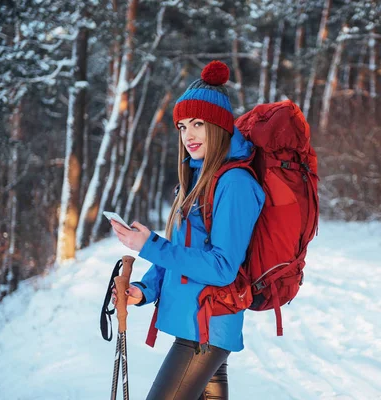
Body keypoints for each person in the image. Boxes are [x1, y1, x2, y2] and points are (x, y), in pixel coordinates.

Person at [110, 60, 265, 400]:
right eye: (182, 126)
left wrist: (148, 244)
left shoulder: (235, 184)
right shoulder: (195, 179)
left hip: (206, 328)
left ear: (220, 126)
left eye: (198, 123)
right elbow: (182, 251)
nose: (188, 135)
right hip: (200, 326)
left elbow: (222, 267)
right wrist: (145, 289)